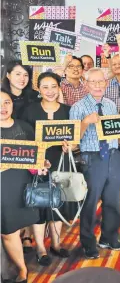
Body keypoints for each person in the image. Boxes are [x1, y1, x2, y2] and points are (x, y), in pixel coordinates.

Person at [70, 68, 120, 259]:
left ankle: (109, 237)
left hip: (113, 155)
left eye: (101, 82)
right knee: (90, 203)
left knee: (112, 201)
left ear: (106, 83)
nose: (98, 85)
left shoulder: (110, 105)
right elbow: (73, 141)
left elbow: (116, 132)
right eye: (93, 82)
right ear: (86, 84)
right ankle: (88, 243)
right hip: (91, 157)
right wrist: (85, 122)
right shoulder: (78, 107)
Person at [21, 72, 72, 266]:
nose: (50, 91)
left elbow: (75, 140)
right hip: (38, 165)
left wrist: (70, 147)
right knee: (40, 205)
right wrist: (36, 160)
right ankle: (41, 248)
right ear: (39, 89)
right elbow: (24, 139)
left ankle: (57, 244)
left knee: (58, 204)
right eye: (45, 87)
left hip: (60, 163)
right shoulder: (29, 110)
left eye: (53, 86)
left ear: (59, 87)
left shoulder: (68, 110)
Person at [1, 90, 50, 283]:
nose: (3, 108)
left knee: (28, 220)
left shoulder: (25, 127)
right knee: (8, 231)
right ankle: (22, 269)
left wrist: (42, 166)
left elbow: (36, 159)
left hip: (24, 185)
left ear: (12, 104)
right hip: (2, 189)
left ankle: (35, 249)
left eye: (6, 102)